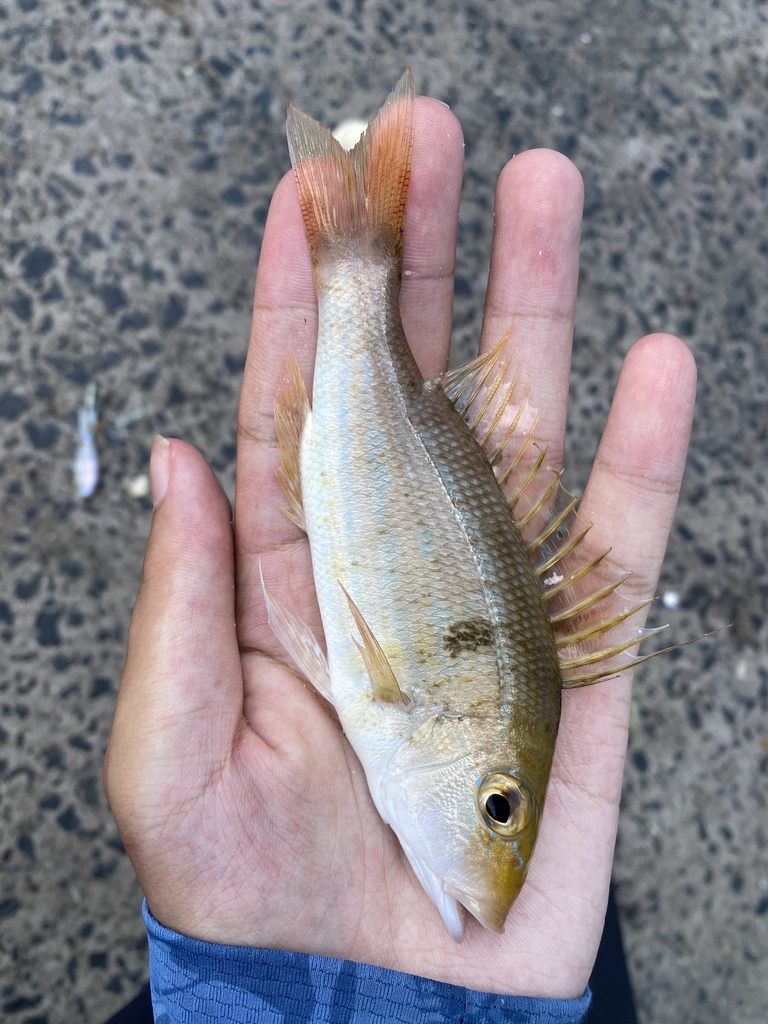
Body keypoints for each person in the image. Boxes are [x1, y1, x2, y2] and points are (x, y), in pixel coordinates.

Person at [103, 94, 696, 1022]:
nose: (501, 841)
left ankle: (354, 241)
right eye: (498, 807)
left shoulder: (419, 741)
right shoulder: (413, 726)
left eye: (506, 813)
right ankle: (355, 251)